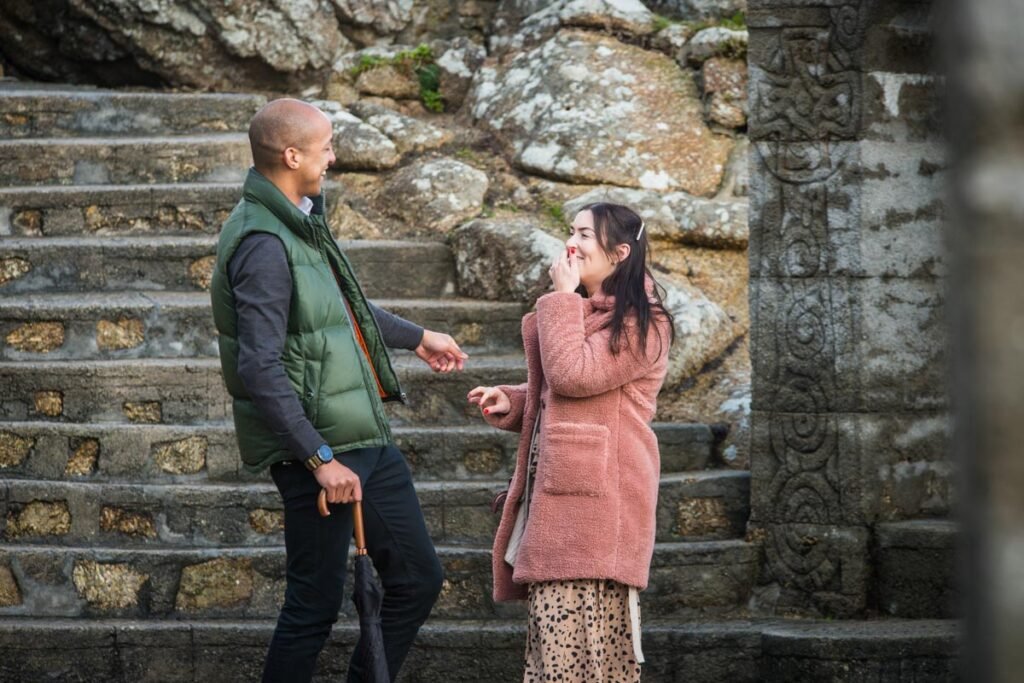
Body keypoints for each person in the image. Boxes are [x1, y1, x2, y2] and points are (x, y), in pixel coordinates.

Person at [210, 98, 467, 683]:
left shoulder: (300, 219)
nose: (334, 155)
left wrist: (418, 336)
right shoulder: (262, 243)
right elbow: (258, 367)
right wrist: (318, 457)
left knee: (417, 578)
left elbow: (343, 306)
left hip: (363, 437)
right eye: (326, 145)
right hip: (321, 450)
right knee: (312, 607)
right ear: (291, 153)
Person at [467, 203, 674, 682]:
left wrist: (561, 298)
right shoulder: (589, 313)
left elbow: (574, 375)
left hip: (597, 516)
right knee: (553, 663)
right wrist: (514, 401)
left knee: (581, 663)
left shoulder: (646, 323)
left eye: (584, 234)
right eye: (572, 231)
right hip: (565, 508)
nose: (572, 243)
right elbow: (565, 392)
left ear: (620, 252)